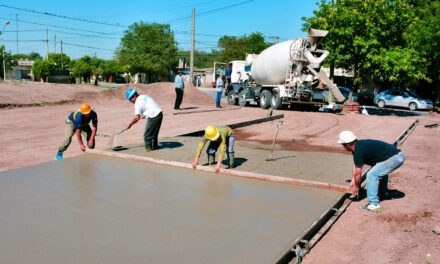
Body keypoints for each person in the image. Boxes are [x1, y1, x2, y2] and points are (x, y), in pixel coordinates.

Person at [337, 131, 405, 212]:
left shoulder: (358, 151)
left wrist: (357, 187)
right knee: (379, 171)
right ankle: (383, 193)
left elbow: (358, 173)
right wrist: (353, 180)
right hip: (395, 155)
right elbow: (357, 165)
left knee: (371, 175)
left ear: (347, 145)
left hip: (395, 158)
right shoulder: (357, 146)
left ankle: (374, 204)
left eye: (342, 145)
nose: (343, 147)